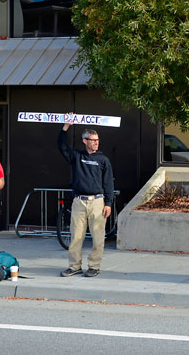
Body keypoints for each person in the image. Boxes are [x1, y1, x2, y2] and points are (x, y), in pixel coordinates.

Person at [58, 119, 114, 278]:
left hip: (97, 202)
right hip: (79, 201)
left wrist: (108, 203)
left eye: (97, 140)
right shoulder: (76, 156)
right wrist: (65, 127)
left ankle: (94, 266)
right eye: (93, 140)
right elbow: (62, 147)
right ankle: (74, 266)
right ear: (85, 141)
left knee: (98, 237)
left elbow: (108, 183)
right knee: (76, 236)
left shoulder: (103, 160)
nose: (96, 143)